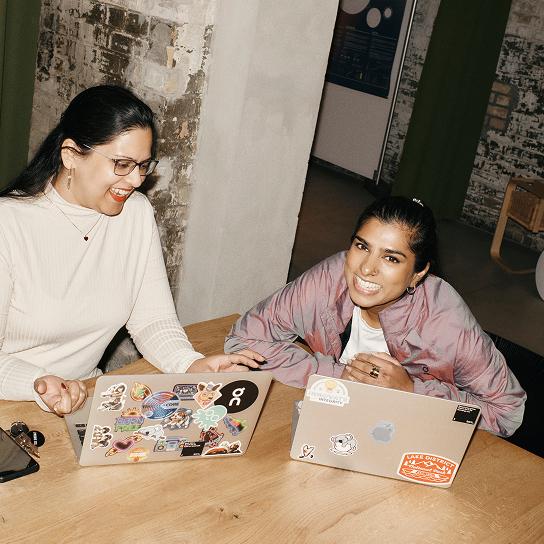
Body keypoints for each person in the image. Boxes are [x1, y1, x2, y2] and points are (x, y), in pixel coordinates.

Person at [0, 85, 262, 416]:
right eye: (122, 164)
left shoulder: (134, 213)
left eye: (143, 165)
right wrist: (40, 383)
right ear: (70, 156)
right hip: (11, 402)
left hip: (87, 397)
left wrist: (191, 364)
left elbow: (152, 319)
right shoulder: (8, 224)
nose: (136, 180)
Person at [225, 196, 526, 437]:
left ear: (418, 273)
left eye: (391, 258)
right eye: (362, 246)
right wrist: (340, 377)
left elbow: (506, 412)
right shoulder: (331, 277)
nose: (366, 269)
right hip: (333, 427)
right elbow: (245, 338)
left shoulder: (446, 322)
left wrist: (410, 390)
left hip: (410, 438)